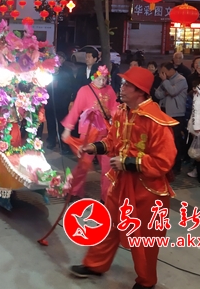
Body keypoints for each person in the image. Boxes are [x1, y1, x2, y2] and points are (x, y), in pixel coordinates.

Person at [70, 67, 177, 288]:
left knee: (145, 236)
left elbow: (164, 161)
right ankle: (95, 264)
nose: (122, 87)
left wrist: (129, 163)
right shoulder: (121, 112)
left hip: (147, 189)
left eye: (127, 84)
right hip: (120, 182)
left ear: (140, 91)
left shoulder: (156, 121)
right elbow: (112, 141)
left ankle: (146, 281)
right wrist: (94, 147)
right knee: (107, 224)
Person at [62, 65, 118, 200]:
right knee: (83, 164)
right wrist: (67, 129)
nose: (102, 81)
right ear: (93, 77)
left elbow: (115, 109)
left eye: (104, 79)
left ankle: (107, 196)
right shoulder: (84, 90)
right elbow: (75, 110)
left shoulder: (110, 90)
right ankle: (72, 191)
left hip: (106, 133)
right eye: (99, 78)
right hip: (88, 133)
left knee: (108, 167)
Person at [155, 62, 188, 173]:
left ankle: (176, 166)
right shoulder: (166, 81)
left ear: (170, 70)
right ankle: (166, 164)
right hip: (164, 113)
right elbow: (157, 94)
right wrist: (166, 90)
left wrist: (166, 83)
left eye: (163, 72)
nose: (162, 74)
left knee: (175, 140)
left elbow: (173, 91)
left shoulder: (181, 79)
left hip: (176, 114)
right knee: (164, 140)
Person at [42, 52, 74, 151]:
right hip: (50, 104)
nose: (54, 68)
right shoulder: (47, 76)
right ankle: (51, 140)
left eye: (56, 66)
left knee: (61, 124)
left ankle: (63, 144)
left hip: (61, 105)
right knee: (51, 123)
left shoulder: (65, 75)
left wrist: (65, 102)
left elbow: (68, 90)